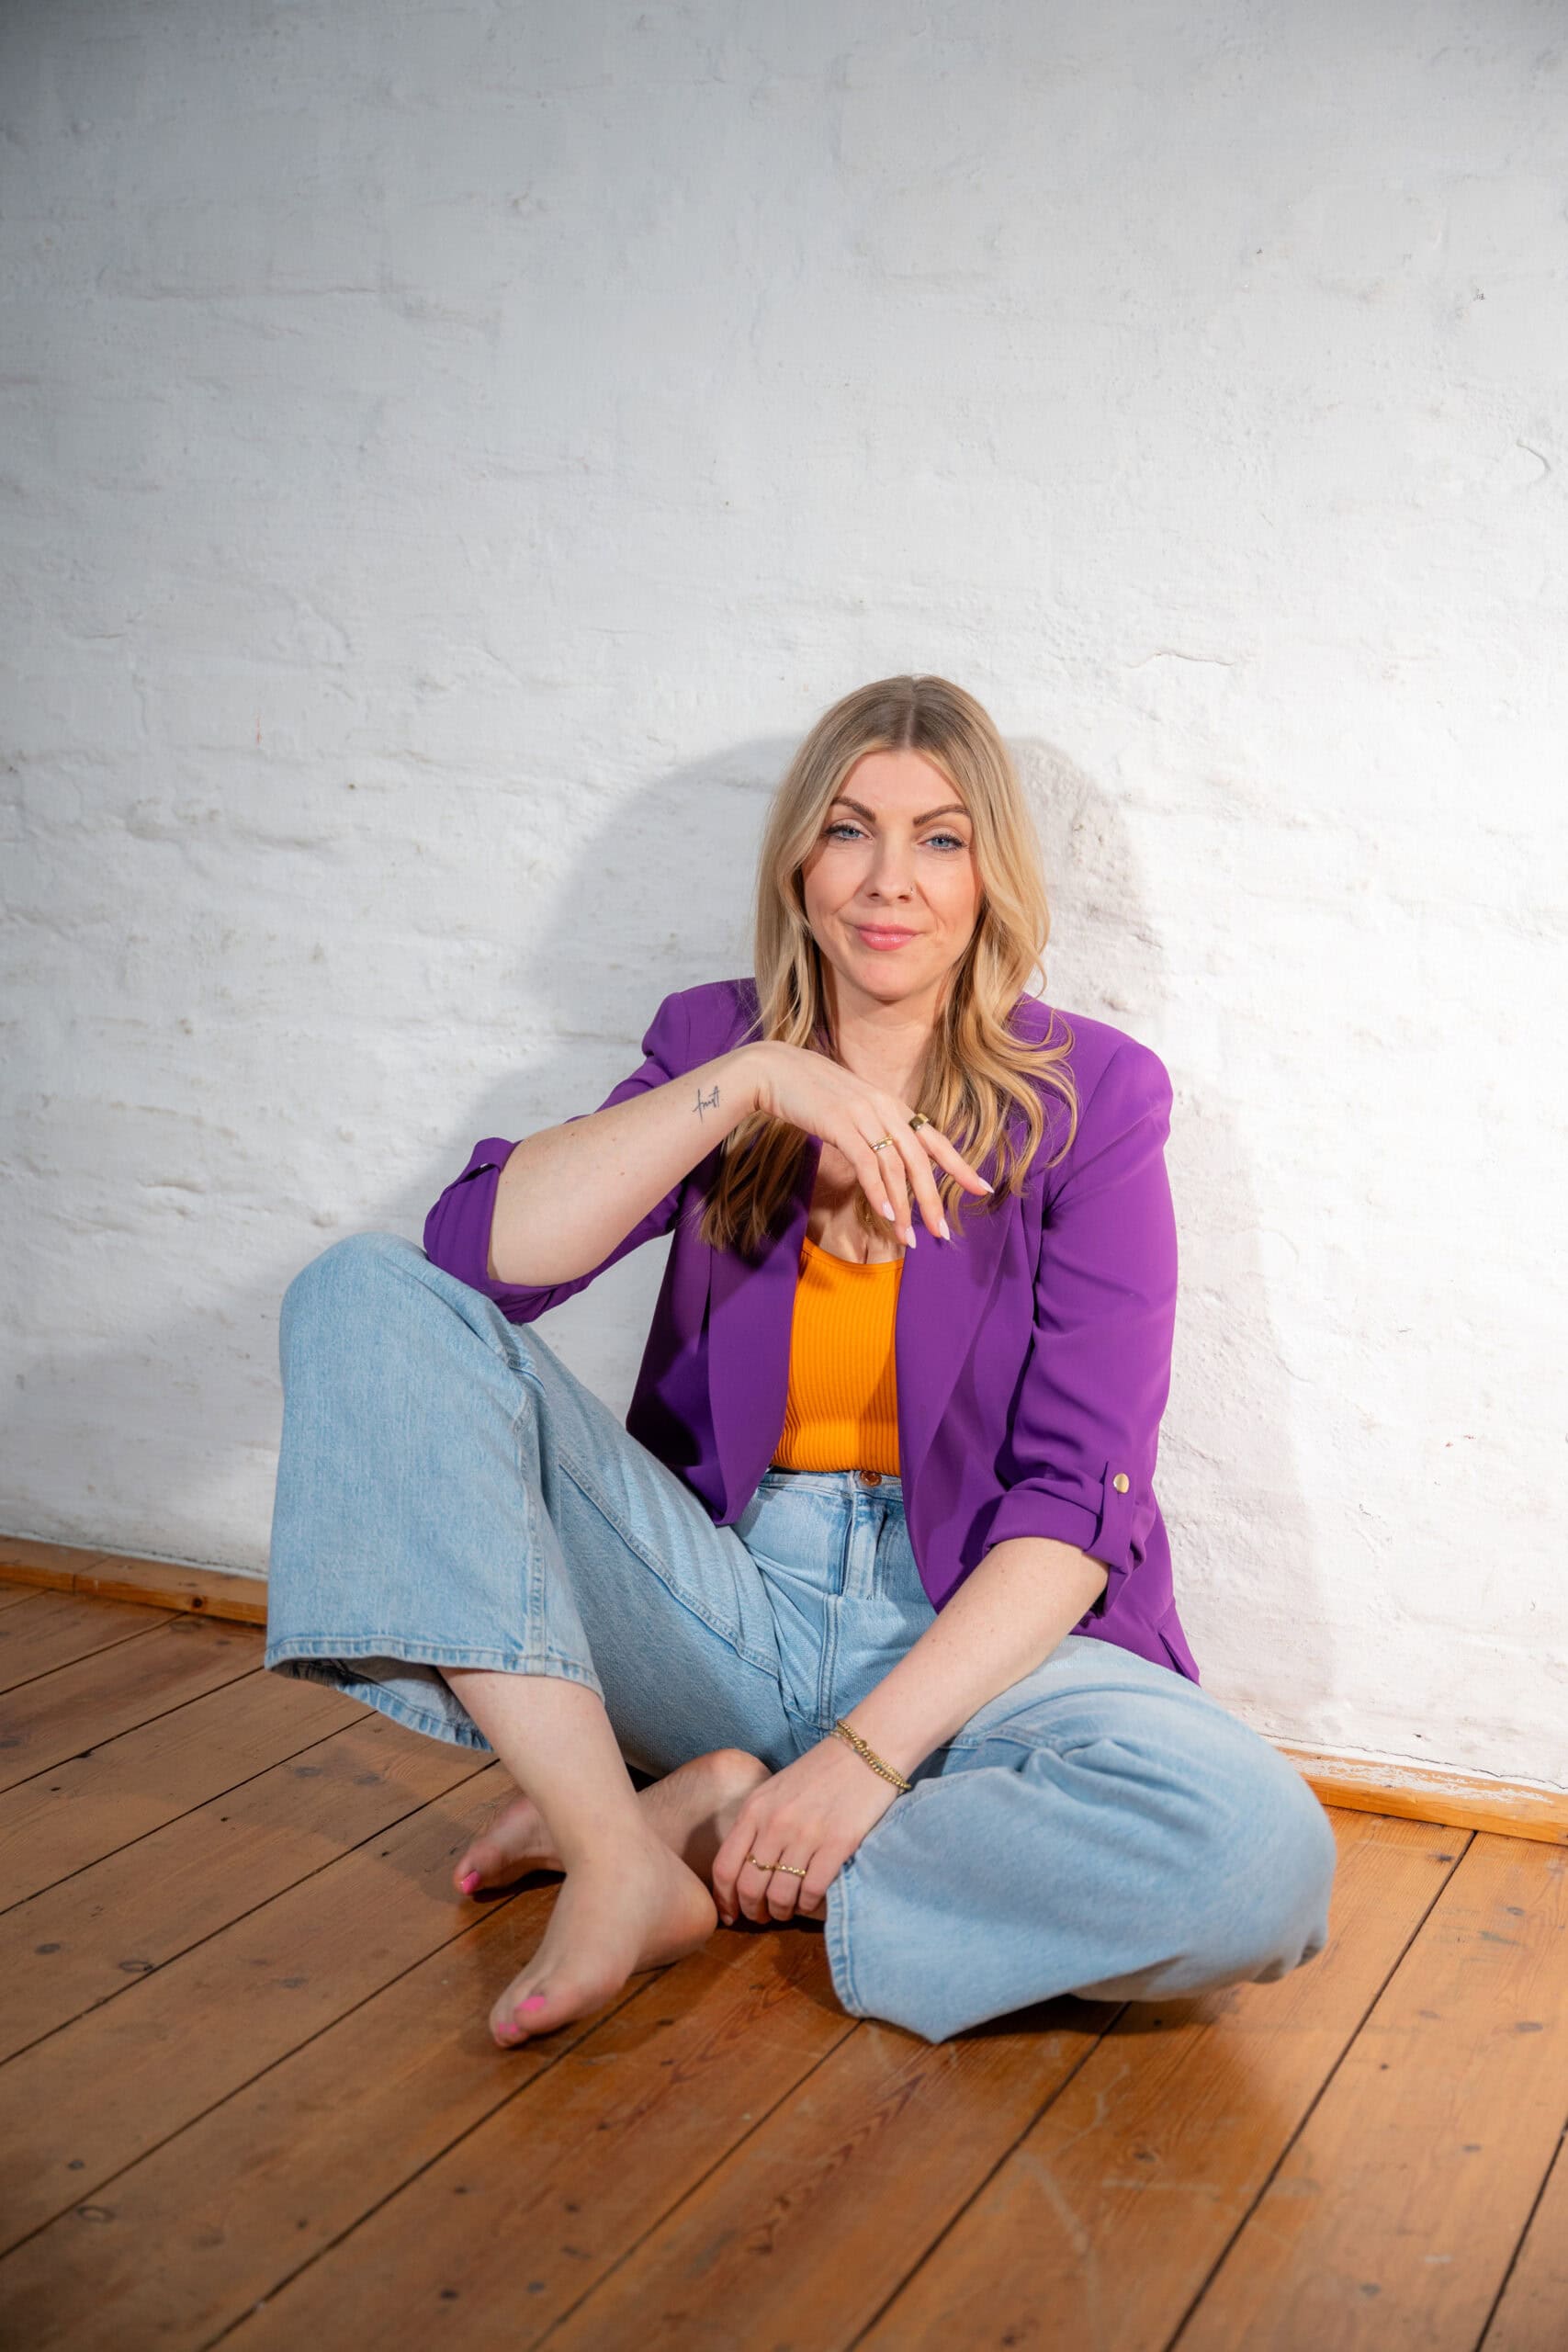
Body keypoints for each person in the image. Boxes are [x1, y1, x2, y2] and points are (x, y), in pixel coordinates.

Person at [265, 673, 1337, 2049]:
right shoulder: (711, 1042)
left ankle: (721, 1824)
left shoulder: (1095, 1101)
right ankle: (616, 1854)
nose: (891, 881)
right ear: (798, 862)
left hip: (979, 1632)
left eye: (941, 839)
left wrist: (866, 1761)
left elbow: (1081, 1503)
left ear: (992, 876)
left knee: (1258, 1858)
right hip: (721, 1591)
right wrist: (753, 1085)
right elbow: (477, 1258)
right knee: (362, 1291)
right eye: (850, 830)